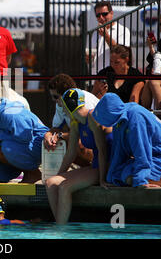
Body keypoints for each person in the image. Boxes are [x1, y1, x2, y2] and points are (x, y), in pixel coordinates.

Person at [45, 88, 112, 225]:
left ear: (69, 107)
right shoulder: (76, 123)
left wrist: (102, 180)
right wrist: (60, 175)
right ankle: (59, 224)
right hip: (95, 164)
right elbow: (70, 154)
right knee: (51, 183)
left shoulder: (92, 118)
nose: (62, 111)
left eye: (63, 107)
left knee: (64, 187)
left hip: (107, 164)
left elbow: (103, 150)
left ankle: (60, 230)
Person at [93, 92, 161, 188]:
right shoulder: (119, 119)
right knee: (116, 176)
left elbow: (142, 150)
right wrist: (109, 178)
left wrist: (141, 180)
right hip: (153, 156)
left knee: (131, 178)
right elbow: (118, 151)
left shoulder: (136, 117)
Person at [0, 85, 53, 183]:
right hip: (24, 144)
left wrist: (2, 136)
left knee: (6, 147)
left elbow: (25, 136)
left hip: (40, 143)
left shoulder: (10, 113)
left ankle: (33, 173)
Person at [45, 73, 99, 167]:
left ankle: (93, 169)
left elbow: (94, 138)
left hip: (102, 151)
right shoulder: (60, 105)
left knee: (78, 144)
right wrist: (48, 135)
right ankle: (88, 169)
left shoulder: (87, 104)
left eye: (55, 97)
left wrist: (60, 135)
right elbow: (56, 128)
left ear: (66, 96)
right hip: (93, 146)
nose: (54, 101)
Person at [87, 1, 130, 74]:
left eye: (104, 14)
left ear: (111, 13)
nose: (101, 18)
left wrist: (106, 36)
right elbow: (91, 55)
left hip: (112, 76)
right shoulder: (95, 33)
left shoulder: (122, 30)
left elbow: (121, 53)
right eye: (98, 15)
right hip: (96, 76)